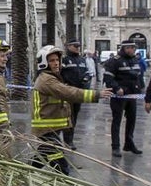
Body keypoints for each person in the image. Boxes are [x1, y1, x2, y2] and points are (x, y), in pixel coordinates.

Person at [31, 45, 112, 175]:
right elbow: (68, 93)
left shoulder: (51, 77)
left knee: (43, 155)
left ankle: (26, 173)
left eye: (57, 60)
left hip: (50, 127)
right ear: (44, 62)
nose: (56, 63)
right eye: (51, 60)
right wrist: (96, 94)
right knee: (60, 163)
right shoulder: (47, 80)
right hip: (47, 127)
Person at [102, 40, 146, 157]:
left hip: (132, 96)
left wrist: (140, 88)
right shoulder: (115, 61)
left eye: (133, 48)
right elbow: (108, 78)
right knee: (117, 120)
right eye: (130, 48)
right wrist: (116, 88)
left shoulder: (135, 60)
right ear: (124, 48)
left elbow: (138, 76)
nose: (132, 50)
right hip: (119, 96)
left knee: (132, 120)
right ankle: (115, 146)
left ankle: (129, 143)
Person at [59, 39, 90, 148]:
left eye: (79, 46)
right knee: (68, 116)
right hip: (67, 92)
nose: (78, 48)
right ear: (68, 46)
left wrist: (86, 80)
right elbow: (58, 74)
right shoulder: (64, 60)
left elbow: (87, 72)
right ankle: (67, 140)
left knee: (74, 117)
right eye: (75, 46)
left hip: (78, 93)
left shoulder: (82, 60)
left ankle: (70, 139)